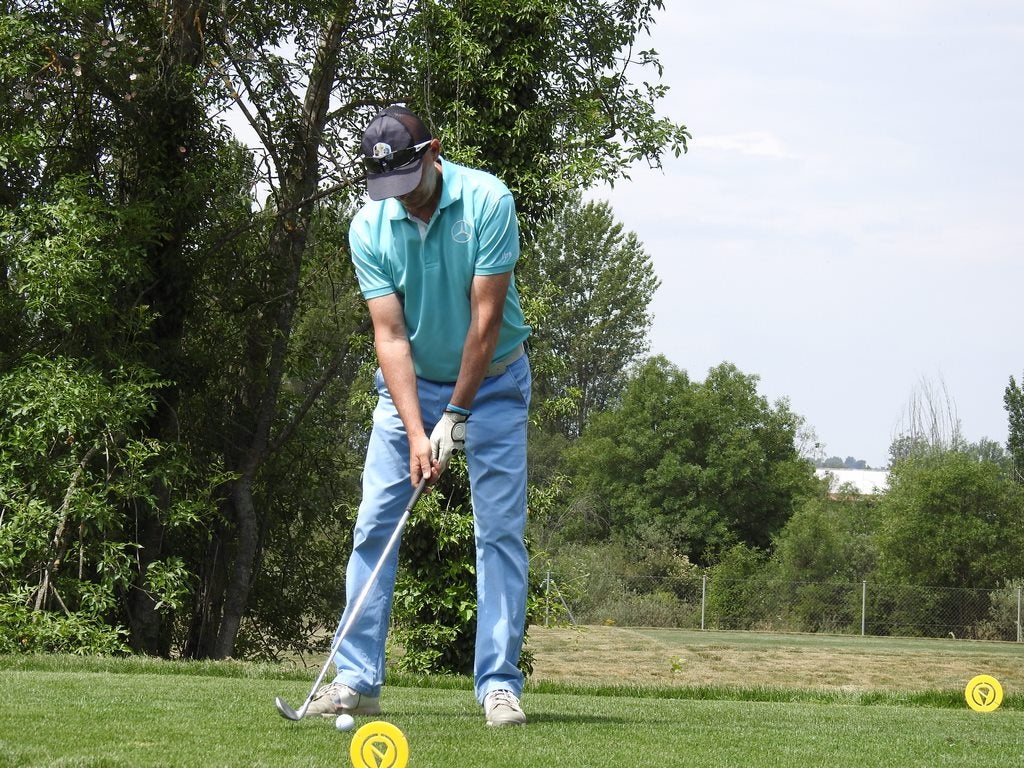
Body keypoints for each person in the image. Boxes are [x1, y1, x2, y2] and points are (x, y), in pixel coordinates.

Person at [306, 105, 532, 727]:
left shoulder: (488, 200)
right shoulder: (369, 226)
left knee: (499, 532)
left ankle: (498, 685)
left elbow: (485, 322)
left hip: (495, 383)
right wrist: (415, 430)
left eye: (408, 182)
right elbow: (391, 336)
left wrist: (456, 413)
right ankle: (355, 680)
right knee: (375, 522)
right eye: (387, 189)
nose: (400, 200)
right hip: (408, 387)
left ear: (433, 152)